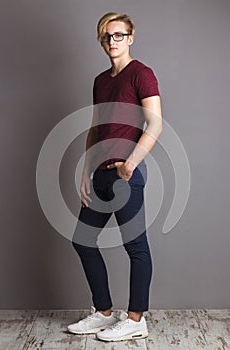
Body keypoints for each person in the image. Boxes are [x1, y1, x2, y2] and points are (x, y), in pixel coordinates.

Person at [68, 12, 162, 342]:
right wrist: (85, 170)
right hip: (100, 174)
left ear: (131, 37)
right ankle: (104, 313)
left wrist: (130, 164)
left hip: (126, 175)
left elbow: (156, 124)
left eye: (118, 35)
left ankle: (136, 318)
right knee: (82, 240)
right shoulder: (100, 80)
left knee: (135, 245)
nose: (112, 42)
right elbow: (97, 127)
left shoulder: (142, 74)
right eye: (107, 37)